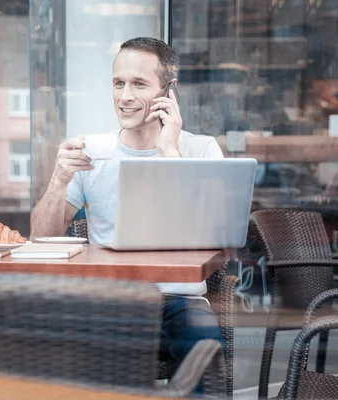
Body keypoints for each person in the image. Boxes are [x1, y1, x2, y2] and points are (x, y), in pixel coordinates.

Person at [30, 37, 225, 382]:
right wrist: (59, 179)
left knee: (203, 340)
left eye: (139, 84)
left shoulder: (200, 149)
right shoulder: (92, 150)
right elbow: (40, 236)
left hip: (178, 301)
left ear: (169, 91)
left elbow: (214, 240)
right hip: (110, 300)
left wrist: (170, 151)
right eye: (118, 83)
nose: (125, 97)